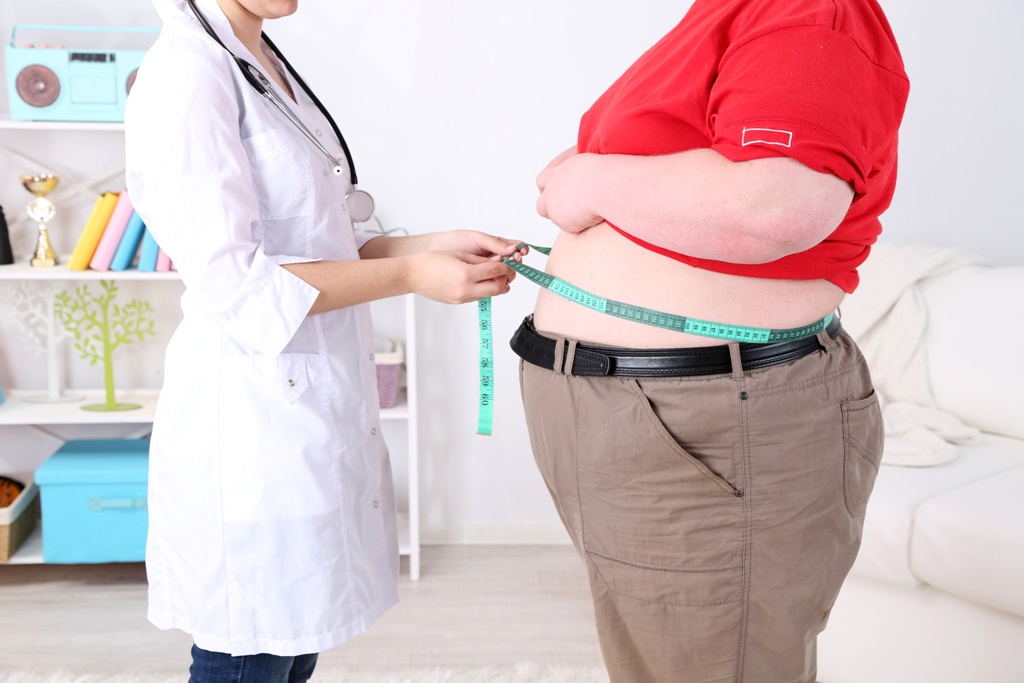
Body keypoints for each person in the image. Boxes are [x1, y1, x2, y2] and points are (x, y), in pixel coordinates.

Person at [123, 0, 522, 681]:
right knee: (248, 650)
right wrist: (410, 275)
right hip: (249, 420)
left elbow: (323, 238)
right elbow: (238, 282)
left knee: (293, 641)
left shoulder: (263, 64)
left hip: (305, 406)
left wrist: (433, 245)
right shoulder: (187, 75)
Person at [512, 1, 909, 681]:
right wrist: (591, 176)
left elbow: (777, 206)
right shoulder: (724, 14)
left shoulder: (812, 10)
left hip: (706, 419)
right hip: (639, 413)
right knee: (660, 658)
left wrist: (596, 178)